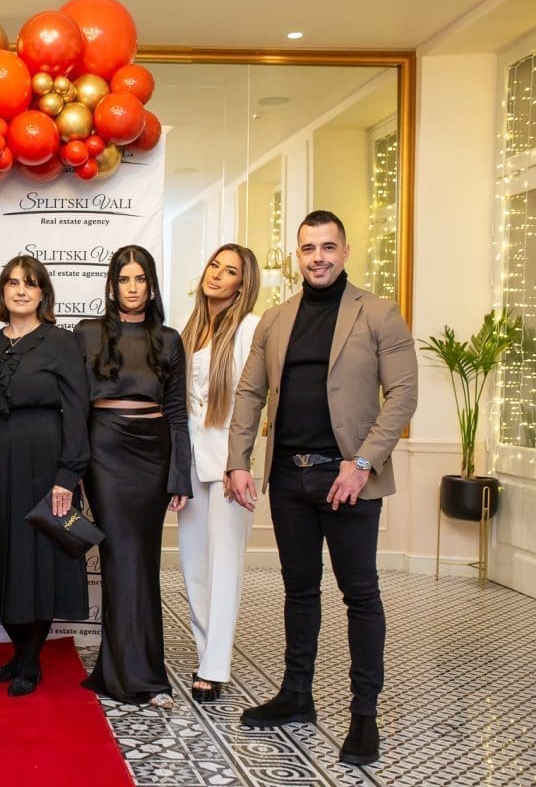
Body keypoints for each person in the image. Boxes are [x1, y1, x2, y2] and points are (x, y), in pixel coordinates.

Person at [226, 209, 417, 766]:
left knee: (360, 594)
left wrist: (363, 463)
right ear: (297, 256)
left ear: (345, 251)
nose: (318, 258)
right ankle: (296, 696)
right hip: (289, 476)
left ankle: (364, 715)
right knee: (299, 591)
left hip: (348, 478)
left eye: (328, 247)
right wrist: (238, 462)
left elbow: (402, 395)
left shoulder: (378, 313)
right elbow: (249, 393)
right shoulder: (276, 319)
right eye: (309, 248)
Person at [74, 245, 190, 708]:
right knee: (120, 557)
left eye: (141, 279)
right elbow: (75, 408)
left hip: (153, 455)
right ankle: (136, 677)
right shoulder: (87, 333)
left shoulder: (169, 340)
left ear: (152, 285)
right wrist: (74, 467)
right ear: (112, 285)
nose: (133, 287)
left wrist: (180, 475)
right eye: (124, 279)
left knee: (142, 560)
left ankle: (126, 670)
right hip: (105, 450)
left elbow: (177, 413)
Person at [0, 255, 89, 697]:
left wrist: (67, 474)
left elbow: (77, 410)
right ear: (3, 291)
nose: (21, 290)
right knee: (0, 553)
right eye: (13, 282)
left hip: (44, 461)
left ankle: (30, 660)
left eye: (31, 283)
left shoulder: (61, 342)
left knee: (39, 559)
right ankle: (20, 654)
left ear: (43, 294)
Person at [176, 244, 261, 703]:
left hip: (229, 464)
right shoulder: (189, 328)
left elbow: (252, 401)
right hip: (191, 463)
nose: (217, 275)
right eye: (214, 265)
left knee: (224, 566)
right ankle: (205, 653)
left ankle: (215, 667)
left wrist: (238, 462)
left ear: (241, 285)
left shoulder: (249, 328)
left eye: (229, 271)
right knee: (194, 567)